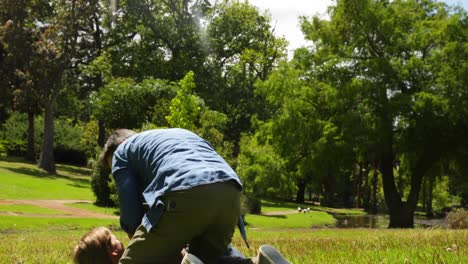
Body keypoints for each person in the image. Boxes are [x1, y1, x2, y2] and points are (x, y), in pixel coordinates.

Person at [96, 128, 290, 264]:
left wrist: (139, 242)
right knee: (209, 260)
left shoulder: (123, 150)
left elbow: (131, 210)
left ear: (120, 143)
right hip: (230, 194)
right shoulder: (177, 136)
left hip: (184, 190)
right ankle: (260, 262)